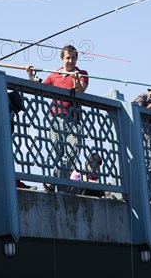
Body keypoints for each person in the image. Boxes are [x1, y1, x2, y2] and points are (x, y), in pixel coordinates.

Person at [25, 45, 89, 192]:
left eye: (73, 58)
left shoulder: (82, 73)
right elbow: (40, 87)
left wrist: (76, 80)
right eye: (68, 57)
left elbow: (81, 90)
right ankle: (61, 184)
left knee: (73, 150)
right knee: (58, 152)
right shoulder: (54, 75)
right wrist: (30, 75)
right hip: (56, 117)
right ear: (62, 59)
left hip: (74, 118)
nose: (71, 60)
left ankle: (56, 181)